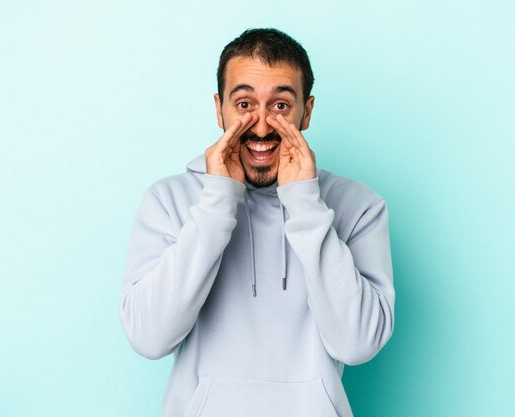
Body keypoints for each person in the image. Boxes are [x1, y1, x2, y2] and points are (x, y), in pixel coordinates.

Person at [120, 28, 395, 417]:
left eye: (280, 106)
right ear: (219, 109)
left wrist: (304, 204)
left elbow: (358, 343)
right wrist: (217, 204)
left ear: (307, 111)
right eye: (245, 104)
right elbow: (149, 337)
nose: (262, 126)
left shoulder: (360, 207)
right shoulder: (168, 201)